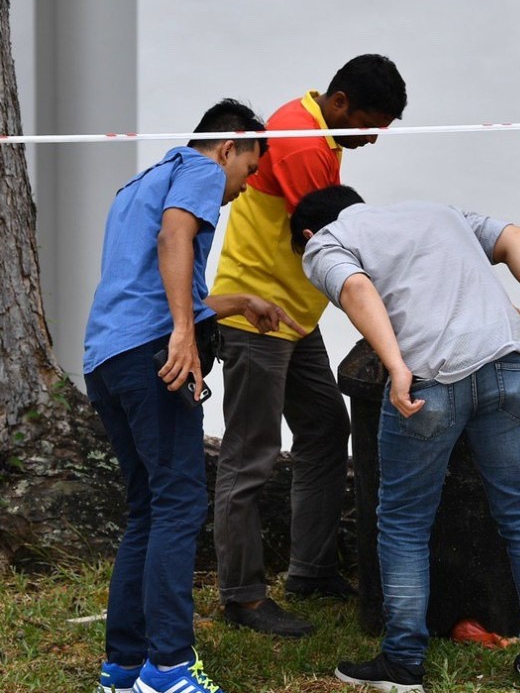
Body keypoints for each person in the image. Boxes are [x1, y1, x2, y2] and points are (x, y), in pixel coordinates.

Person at [291, 186, 520, 693]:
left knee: (403, 521)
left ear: (308, 234)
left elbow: (355, 288)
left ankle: (402, 665)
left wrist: (396, 366)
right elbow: (514, 236)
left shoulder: (326, 241)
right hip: (509, 364)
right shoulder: (438, 213)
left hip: (433, 379)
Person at [85, 99, 304, 693]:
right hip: (153, 355)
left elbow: (149, 278)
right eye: (249, 170)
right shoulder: (203, 169)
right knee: (180, 505)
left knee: (148, 509)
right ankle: (170, 667)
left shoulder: (140, 183)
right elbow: (174, 238)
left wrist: (238, 303)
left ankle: (123, 668)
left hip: (107, 358)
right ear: (230, 147)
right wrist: (183, 333)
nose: (244, 186)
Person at [210, 55, 407, 637]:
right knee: (250, 454)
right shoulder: (300, 142)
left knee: (324, 428)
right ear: (340, 102)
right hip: (255, 317)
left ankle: (311, 571)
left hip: (295, 318)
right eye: (369, 124)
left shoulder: (317, 129)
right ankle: (243, 598)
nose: (372, 139)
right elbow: (332, 238)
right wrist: (393, 322)